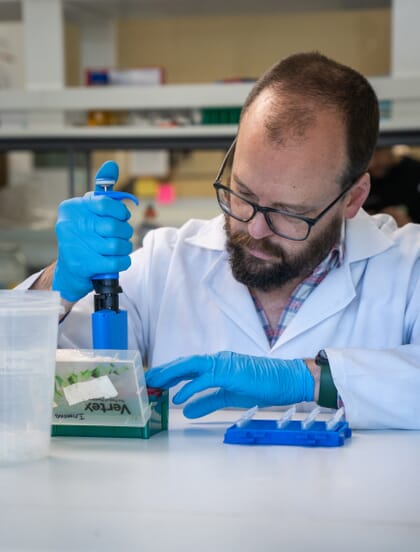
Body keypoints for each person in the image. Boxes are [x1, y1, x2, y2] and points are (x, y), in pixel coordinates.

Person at [25, 52, 420, 430]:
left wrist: (311, 379)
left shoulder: (407, 269)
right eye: (243, 194)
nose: (254, 229)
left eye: (289, 212)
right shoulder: (166, 263)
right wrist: (55, 287)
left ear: (353, 198)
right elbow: (29, 382)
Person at [364, 146, 420, 225]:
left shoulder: (415, 172)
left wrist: (408, 224)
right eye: (366, 154)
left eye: (377, 152)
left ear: (389, 149)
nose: (372, 163)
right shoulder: (361, 177)